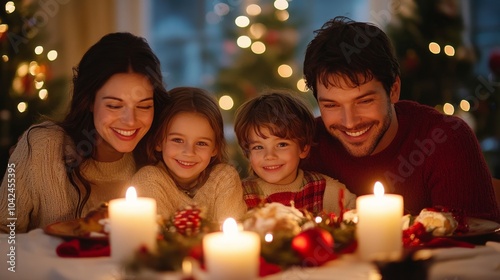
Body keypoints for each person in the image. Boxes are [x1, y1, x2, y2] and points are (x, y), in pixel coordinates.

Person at [301, 16, 500, 222]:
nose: (349, 122)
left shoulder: (446, 140)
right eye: (331, 105)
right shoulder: (301, 147)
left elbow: (474, 246)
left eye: (364, 101)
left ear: (393, 90)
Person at [0, 32, 170, 233]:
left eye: (143, 106)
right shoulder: (42, 146)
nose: (130, 121)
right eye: (114, 106)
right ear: (89, 101)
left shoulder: (162, 155)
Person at [130, 87, 247, 223]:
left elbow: (233, 236)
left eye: (201, 143)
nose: (189, 152)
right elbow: (161, 239)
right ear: (158, 141)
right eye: (177, 140)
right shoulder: (148, 180)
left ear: (215, 147)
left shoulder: (224, 178)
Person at [233, 90, 356, 216]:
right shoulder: (239, 196)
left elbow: (357, 215)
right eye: (258, 147)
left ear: (303, 149)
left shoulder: (325, 189)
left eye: (281, 145)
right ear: (247, 153)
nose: (269, 155)